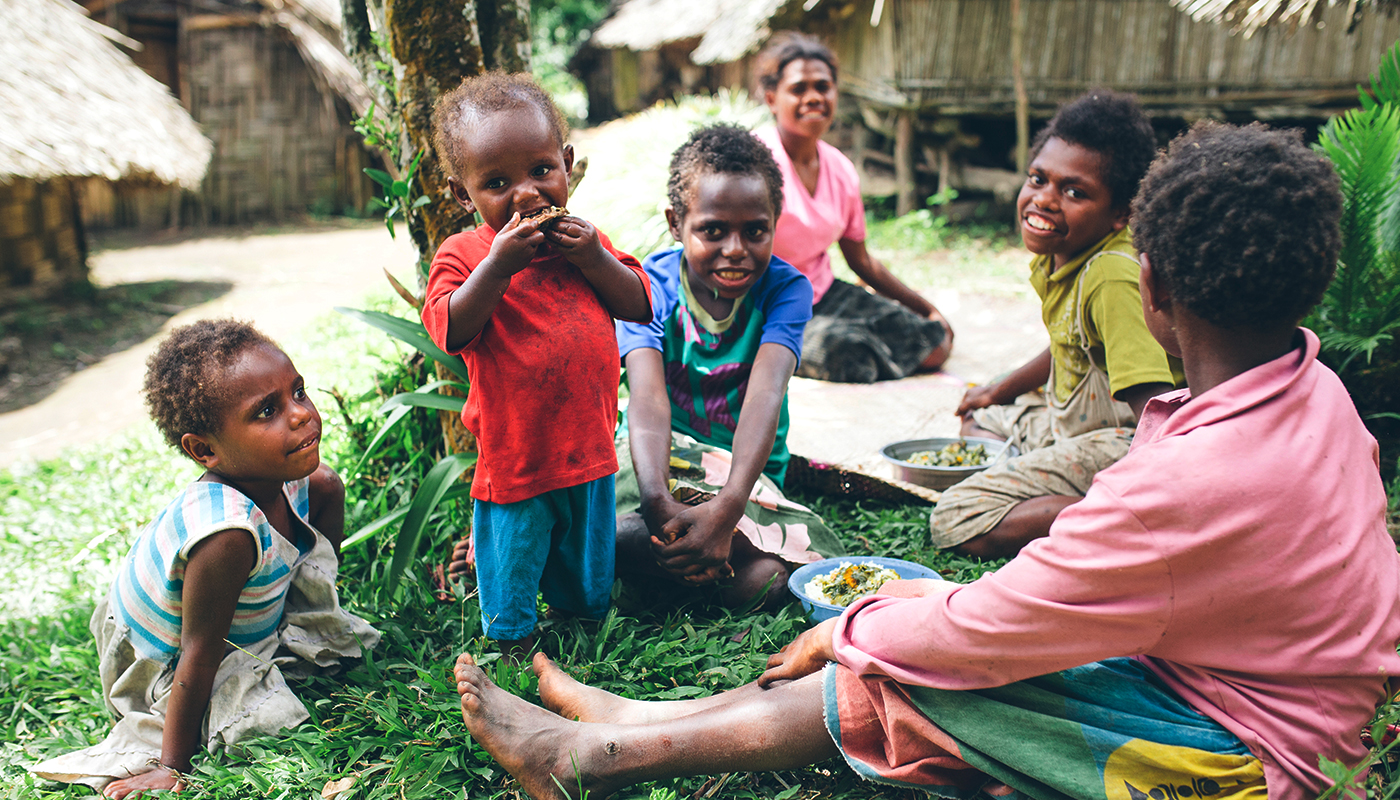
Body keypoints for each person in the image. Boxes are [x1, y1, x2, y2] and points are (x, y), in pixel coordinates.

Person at [448, 121, 1400, 800]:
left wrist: (852, 625)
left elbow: (981, 634)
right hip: (1258, 693)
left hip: (1250, 759)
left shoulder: (1172, 491)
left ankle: (596, 760)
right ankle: (632, 716)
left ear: (1147, 285)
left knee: (927, 677)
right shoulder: (1316, 391)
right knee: (918, 640)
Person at [29, 319, 379, 798]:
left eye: (298, 392)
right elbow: (199, 650)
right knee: (263, 723)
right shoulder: (226, 535)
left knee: (329, 489)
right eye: (266, 412)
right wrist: (173, 766)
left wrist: (319, 619)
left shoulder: (306, 481)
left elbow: (317, 564)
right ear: (205, 450)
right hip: (168, 664)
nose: (300, 415)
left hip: (226, 631)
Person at [422, 73, 652, 653]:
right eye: (497, 182)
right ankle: (514, 636)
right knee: (514, 556)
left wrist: (596, 257)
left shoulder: (584, 243)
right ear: (460, 193)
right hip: (517, 458)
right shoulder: (465, 255)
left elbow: (640, 302)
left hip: (591, 449)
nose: (526, 195)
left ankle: (583, 616)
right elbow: (450, 329)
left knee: (587, 564)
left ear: (567, 165)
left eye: (541, 171)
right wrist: (497, 267)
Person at [932, 90, 1183, 559]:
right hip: (1076, 424)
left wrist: (1156, 492)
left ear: (1120, 215)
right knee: (980, 417)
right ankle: (1046, 481)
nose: (1044, 200)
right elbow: (1070, 347)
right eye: (1038, 179)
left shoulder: (1111, 275)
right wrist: (998, 390)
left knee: (956, 518)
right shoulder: (1061, 257)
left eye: (1074, 192)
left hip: (1129, 440)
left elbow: (1155, 410)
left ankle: (1117, 515)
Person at [614, 124, 844, 610]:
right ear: (676, 223)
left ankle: (673, 561)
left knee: (762, 575)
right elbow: (648, 400)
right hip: (660, 466)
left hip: (744, 480)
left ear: (776, 222)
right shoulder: (645, 285)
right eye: (712, 230)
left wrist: (728, 507)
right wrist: (658, 504)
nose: (736, 249)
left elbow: (766, 393)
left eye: (755, 231)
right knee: (619, 523)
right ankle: (685, 552)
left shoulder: (787, 289)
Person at [752, 31, 953, 383]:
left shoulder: (840, 168)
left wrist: (926, 309)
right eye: (799, 89)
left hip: (822, 294)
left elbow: (861, 260)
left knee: (934, 343)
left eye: (822, 86)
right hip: (764, 308)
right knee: (847, 354)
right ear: (772, 99)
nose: (813, 97)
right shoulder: (753, 164)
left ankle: (870, 353)